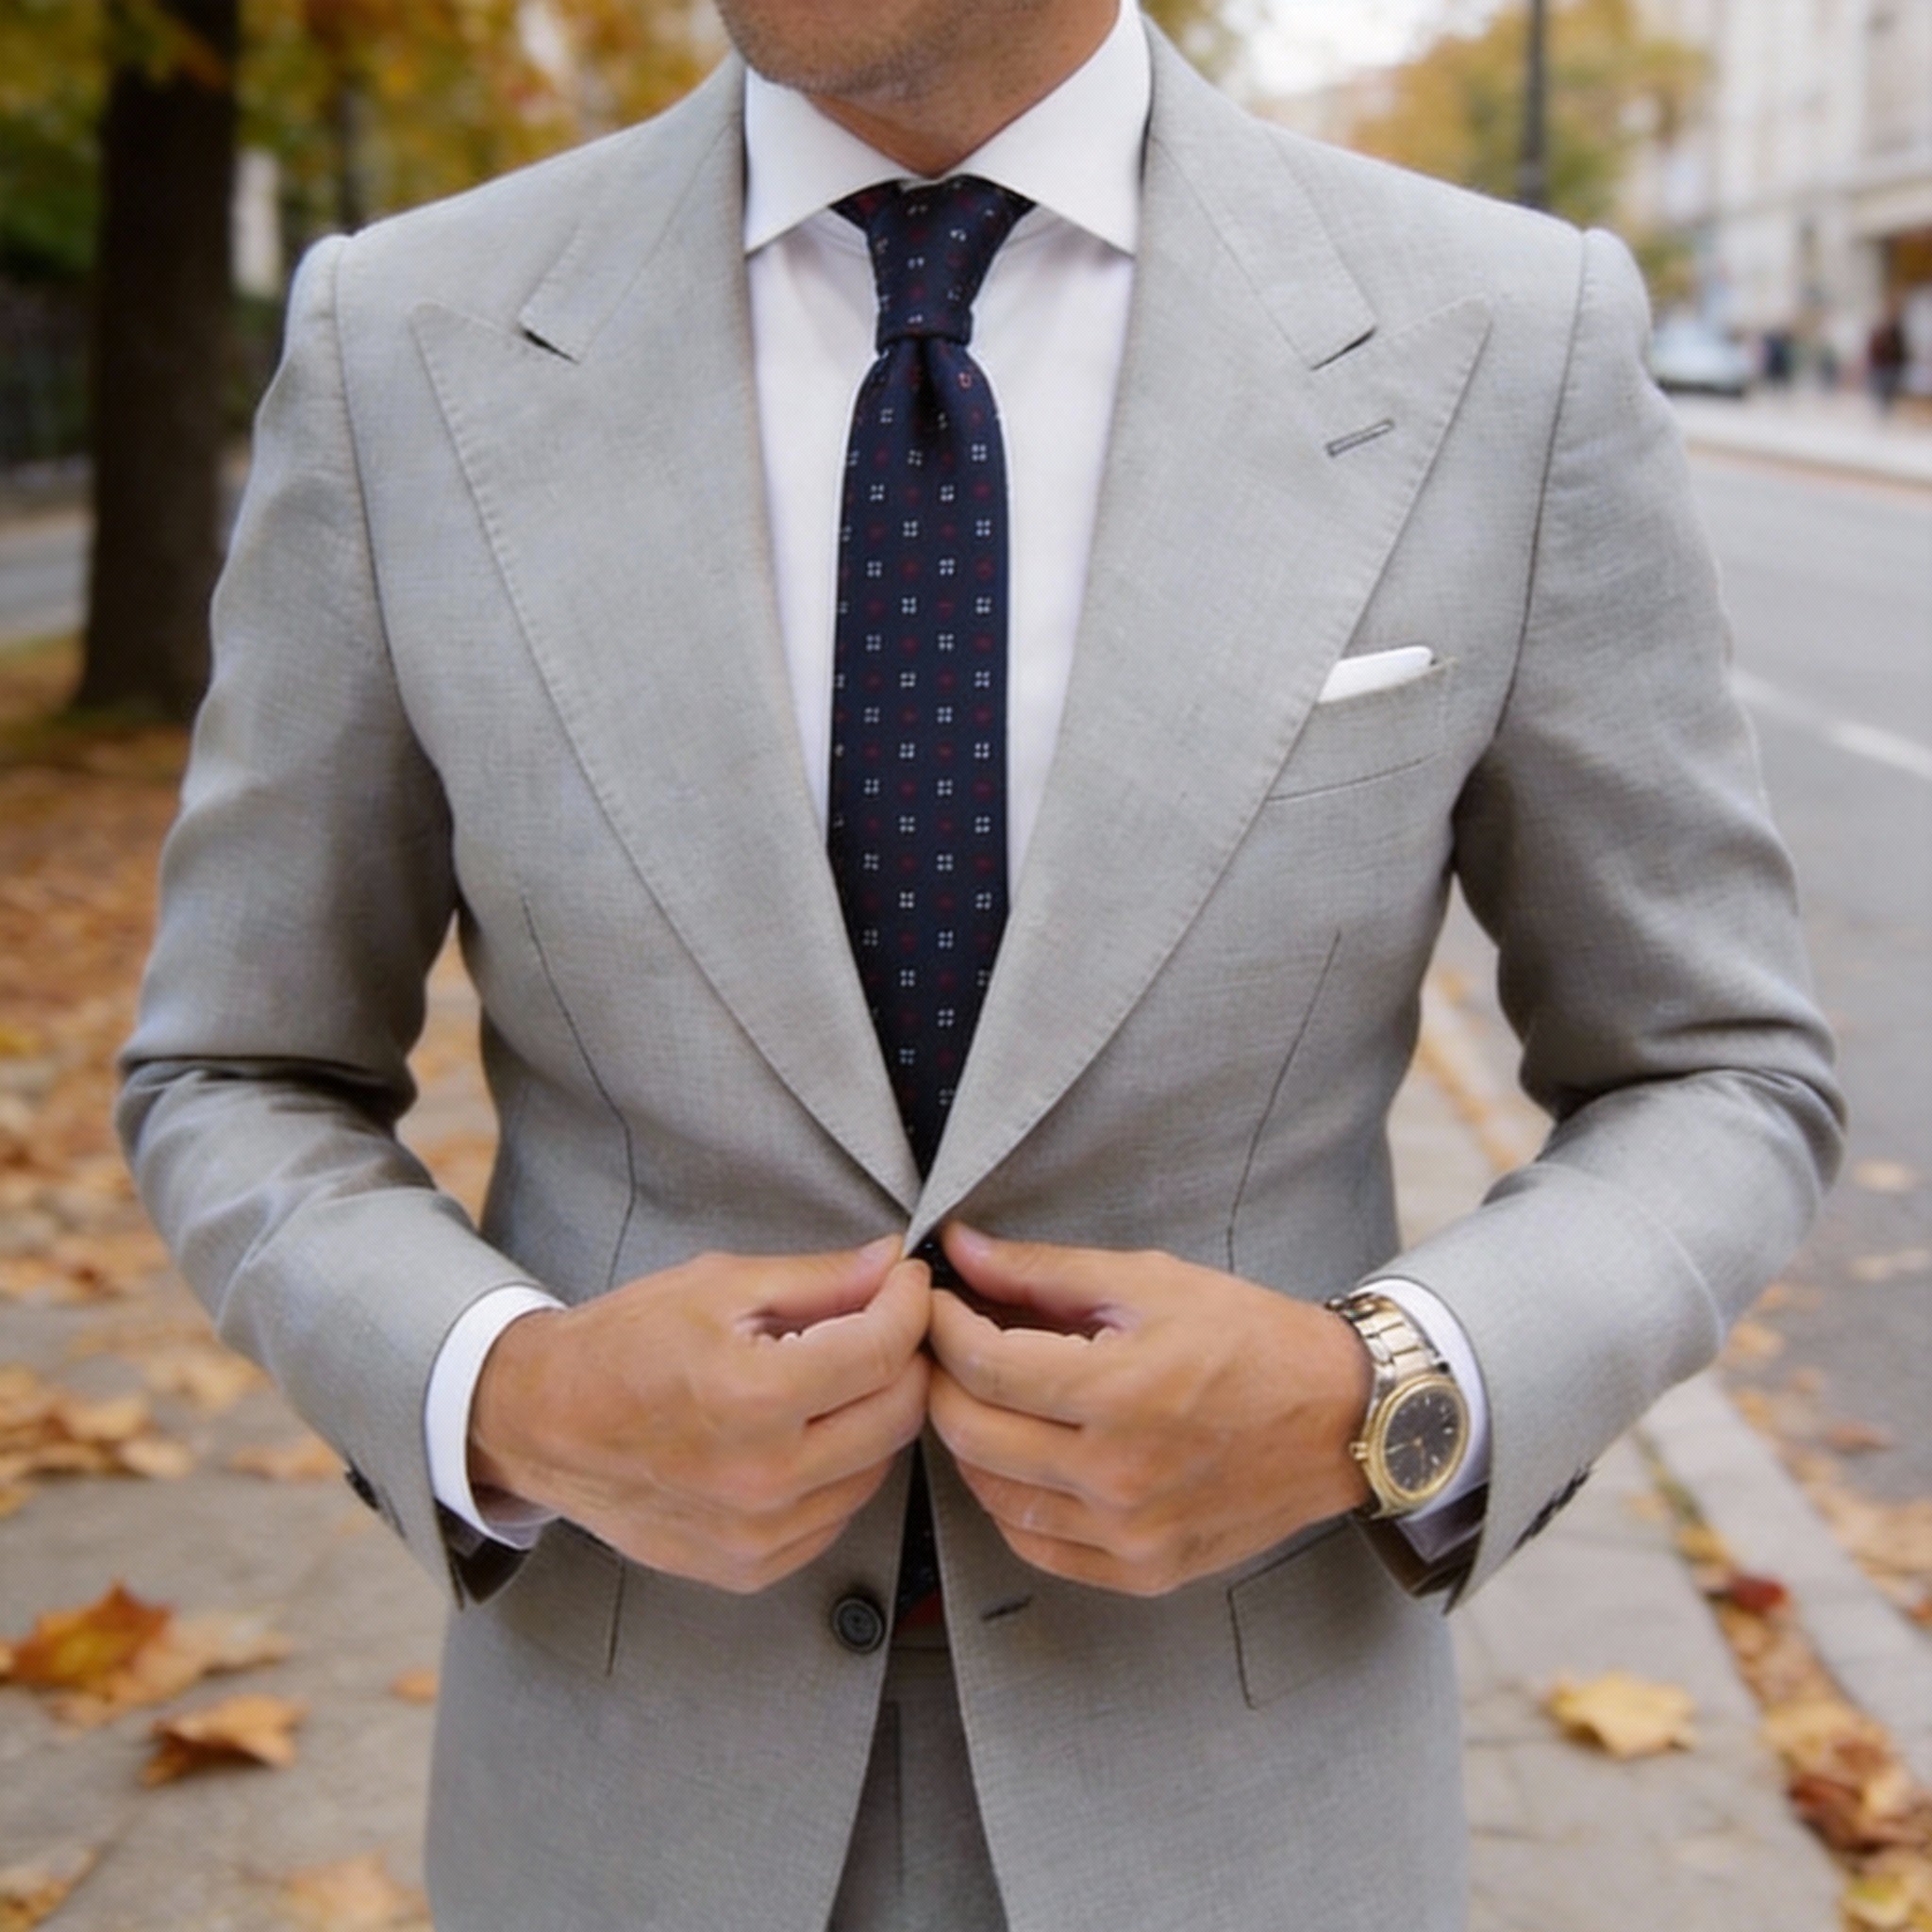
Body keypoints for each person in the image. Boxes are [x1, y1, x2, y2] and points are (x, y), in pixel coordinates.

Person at [119, 2, 1842, 1927]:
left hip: (1246, 1805)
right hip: (629, 1804)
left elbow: (1714, 1068)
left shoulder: (1503, 339)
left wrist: (1382, 1396)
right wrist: (503, 1393)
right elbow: (236, 1065)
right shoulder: (404, 343)